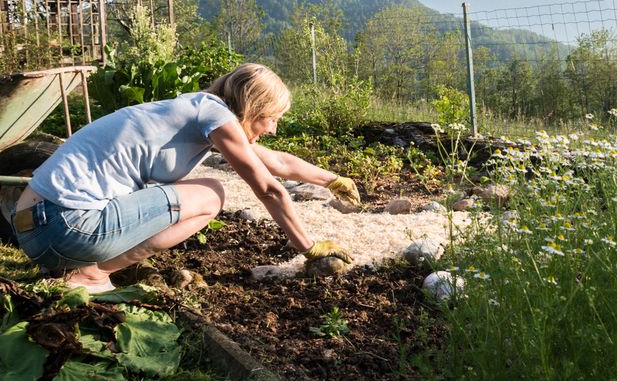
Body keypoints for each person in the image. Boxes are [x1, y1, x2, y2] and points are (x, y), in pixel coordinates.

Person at [10, 63, 360, 293]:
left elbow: (277, 161)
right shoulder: (214, 116)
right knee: (211, 193)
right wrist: (308, 247)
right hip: (66, 226)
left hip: (33, 231)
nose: (273, 127)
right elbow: (268, 188)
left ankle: (82, 270)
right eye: (271, 117)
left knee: (200, 191)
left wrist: (331, 179)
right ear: (252, 106)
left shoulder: (193, 111)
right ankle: (92, 273)